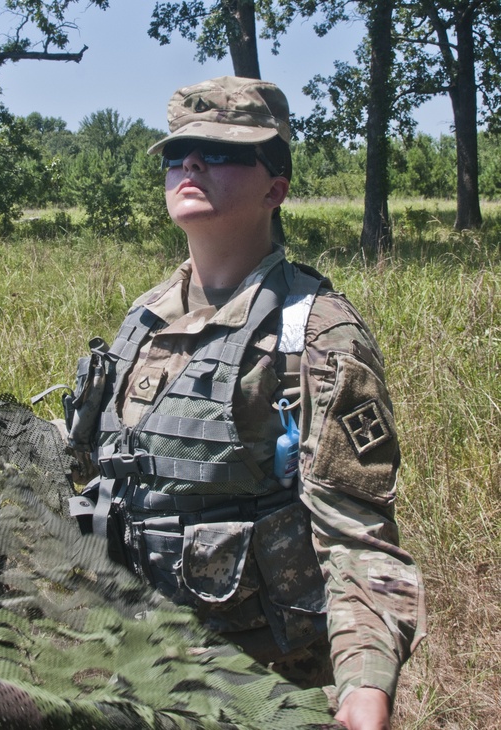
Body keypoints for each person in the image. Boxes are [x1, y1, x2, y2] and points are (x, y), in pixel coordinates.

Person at [63, 76, 425, 730]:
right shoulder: (141, 321)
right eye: (179, 154)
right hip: (133, 663)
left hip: (255, 682)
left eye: (222, 152)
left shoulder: (314, 335)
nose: (192, 164)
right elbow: (95, 482)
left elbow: (358, 538)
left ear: (275, 188)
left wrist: (365, 690)